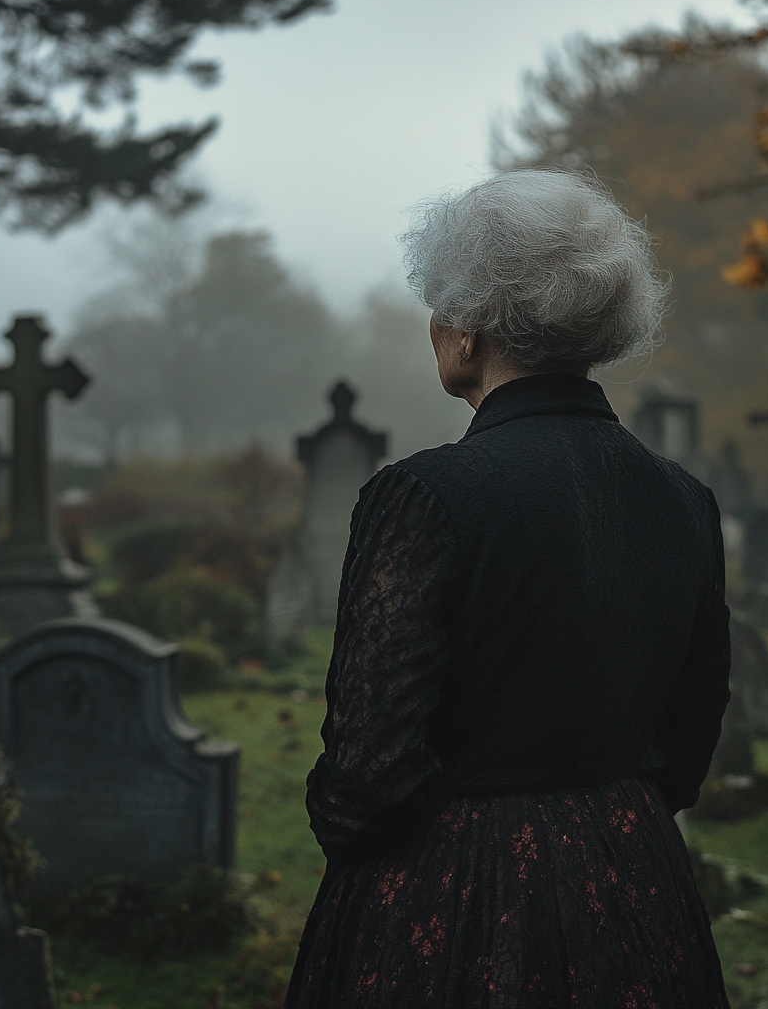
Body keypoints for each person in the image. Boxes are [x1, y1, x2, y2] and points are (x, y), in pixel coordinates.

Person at [283, 169, 732, 1009]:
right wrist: (610, 821)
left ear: (468, 331)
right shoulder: (684, 499)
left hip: (453, 901)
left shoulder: (423, 496)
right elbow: (691, 736)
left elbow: (368, 771)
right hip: (636, 889)